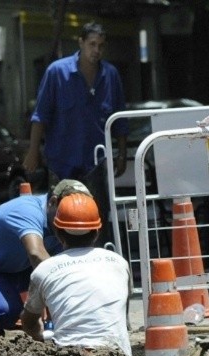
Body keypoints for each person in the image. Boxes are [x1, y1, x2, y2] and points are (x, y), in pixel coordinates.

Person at [24, 22, 129, 246]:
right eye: (92, 44)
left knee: (97, 220)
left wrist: (121, 154)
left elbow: (119, 118)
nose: (96, 50)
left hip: (96, 162)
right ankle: (58, 265)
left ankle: (100, 264)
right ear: (80, 43)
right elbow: (40, 115)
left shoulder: (110, 75)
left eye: (101, 45)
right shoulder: (57, 72)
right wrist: (33, 151)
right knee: (58, 220)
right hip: (62, 161)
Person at [0, 179, 91, 334]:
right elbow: (36, 253)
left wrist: (57, 322)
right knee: (6, 313)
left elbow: (62, 265)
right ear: (52, 202)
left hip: (20, 269)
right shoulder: (26, 211)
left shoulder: (58, 219)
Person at [20, 193, 133, 356]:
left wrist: (40, 338)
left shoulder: (44, 270)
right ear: (97, 232)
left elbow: (29, 323)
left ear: (58, 233)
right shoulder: (119, 262)